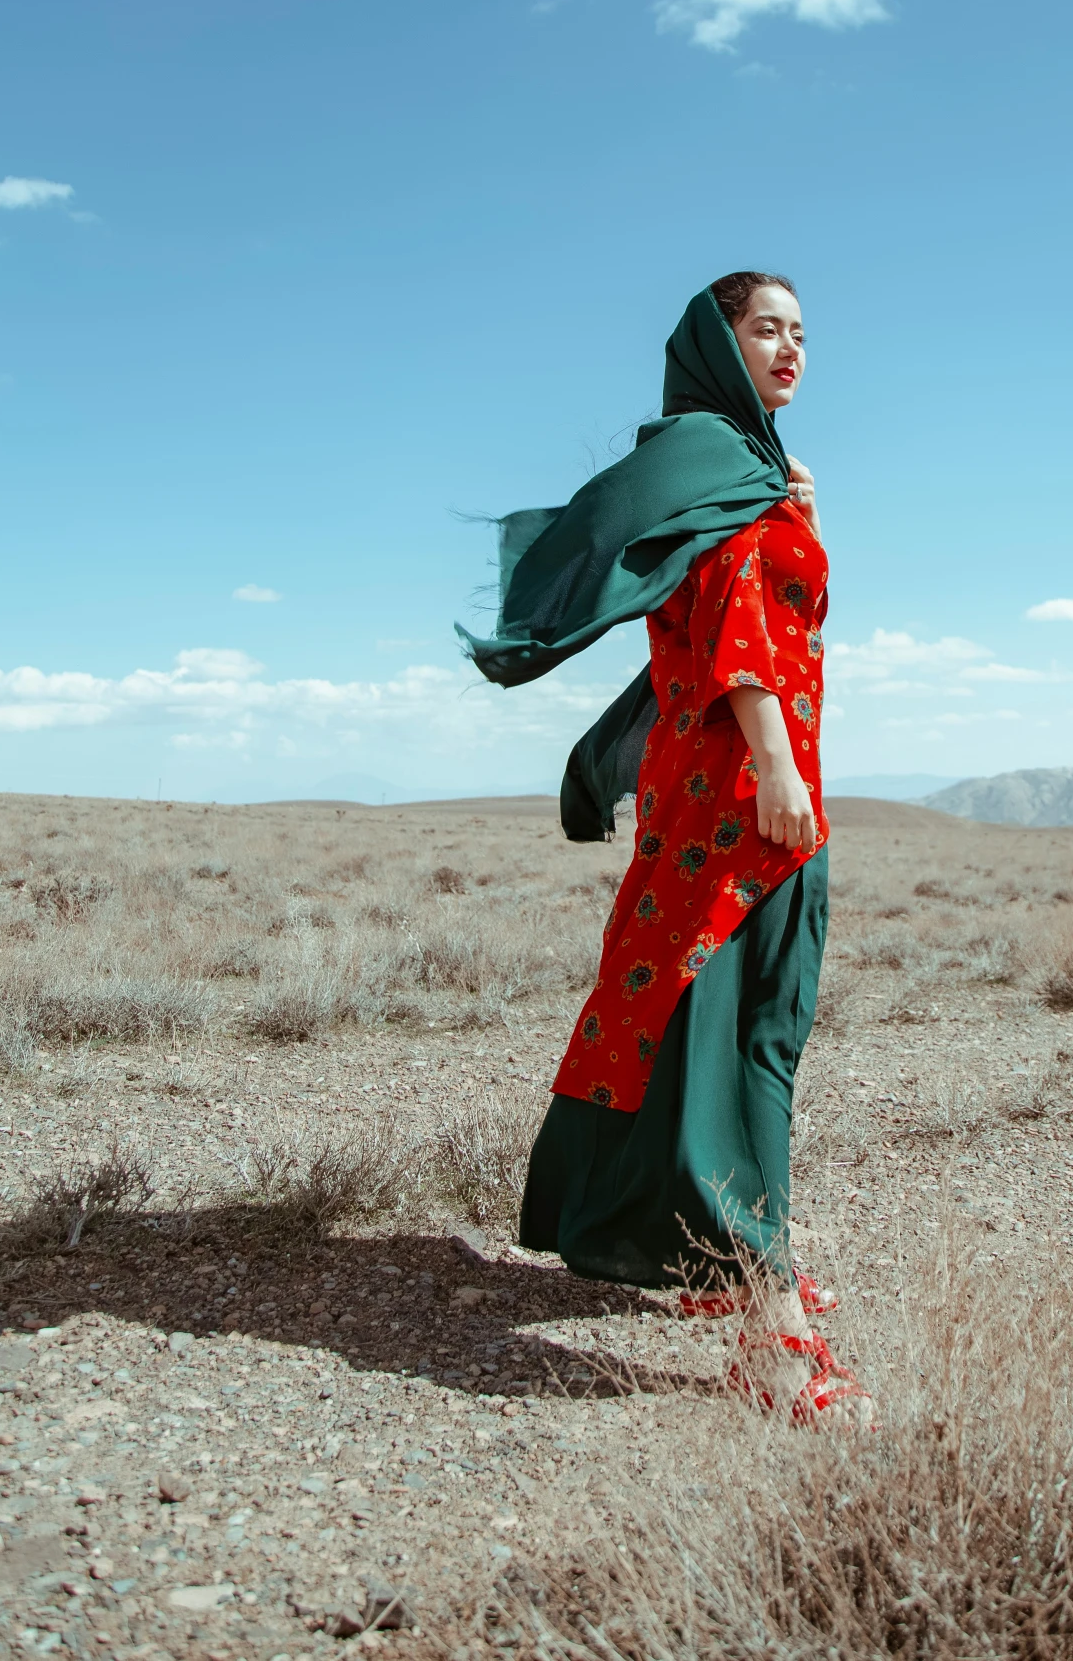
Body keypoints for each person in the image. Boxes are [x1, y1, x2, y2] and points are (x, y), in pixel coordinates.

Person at [458, 273, 867, 1424]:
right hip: (747, 803)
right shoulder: (725, 471)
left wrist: (809, 521)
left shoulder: (735, 468)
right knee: (738, 1046)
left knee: (699, 1029)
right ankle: (768, 1325)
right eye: (764, 329)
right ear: (716, 343)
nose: (788, 347)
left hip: (719, 797)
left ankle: (715, 1261)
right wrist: (778, 769)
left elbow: (768, 609)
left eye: (799, 332)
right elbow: (742, 626)